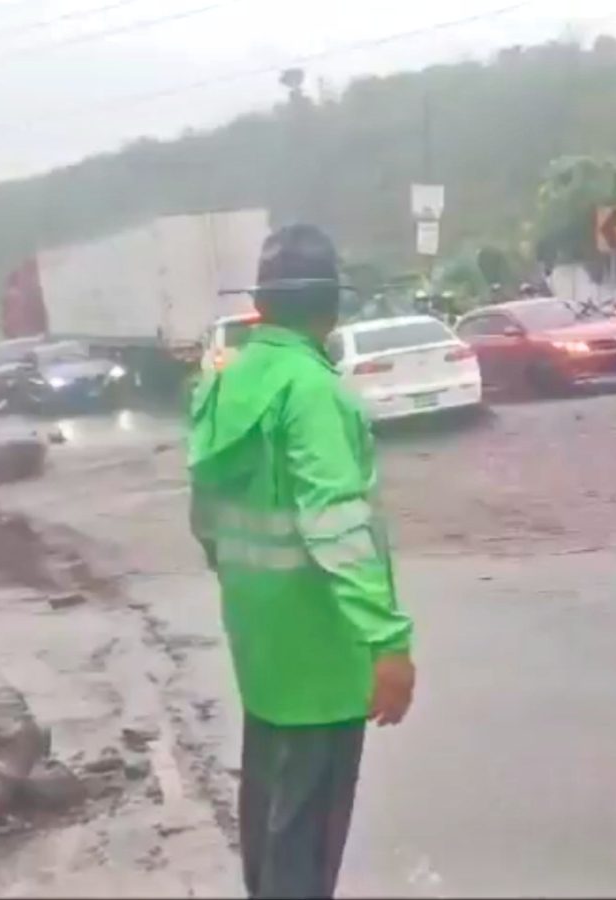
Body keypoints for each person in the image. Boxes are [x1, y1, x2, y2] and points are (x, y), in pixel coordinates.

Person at [186, 224, 415, 900]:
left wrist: (246, 587)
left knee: (270, 818)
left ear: (260, 304)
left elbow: (204, 516)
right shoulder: (313, 391)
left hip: (260, 641)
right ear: (331, 307)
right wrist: (388, 639)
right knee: (308, 838)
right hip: (322, 650)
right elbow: (338, 521)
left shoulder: (227, 384)